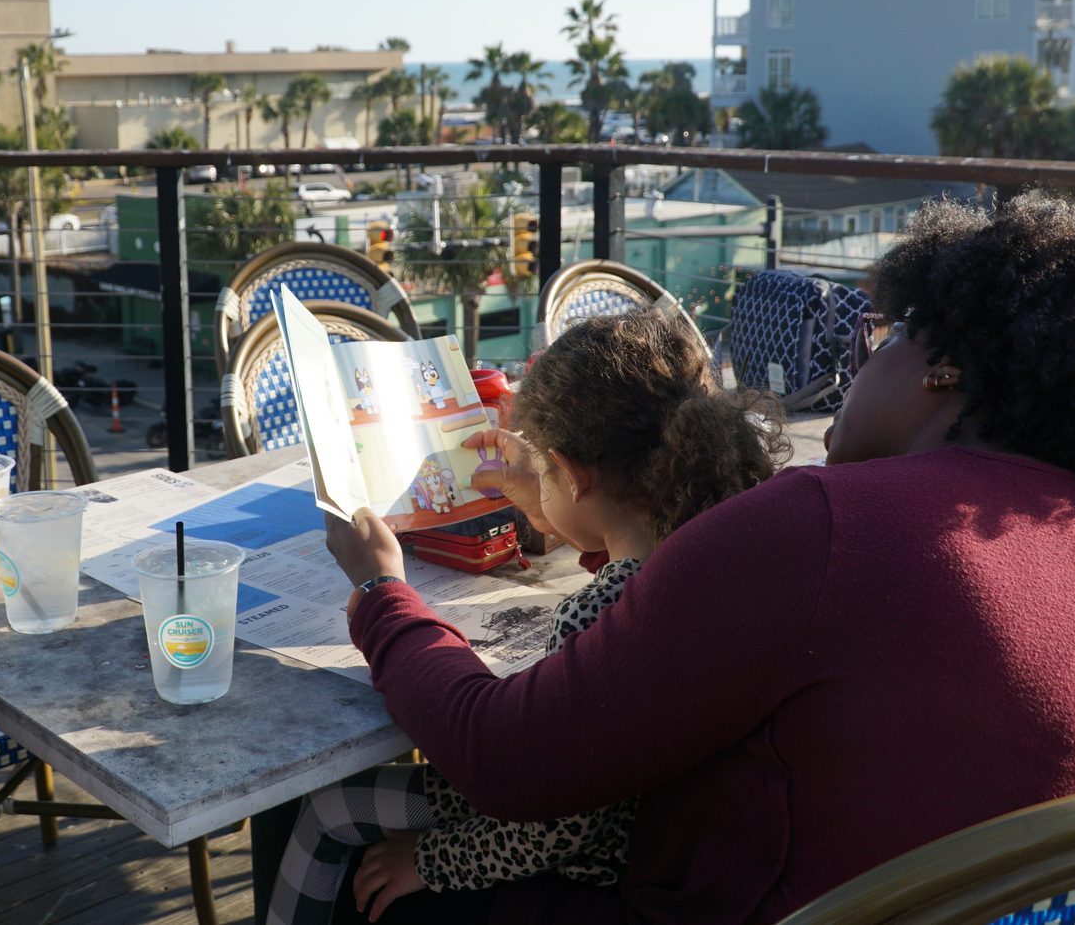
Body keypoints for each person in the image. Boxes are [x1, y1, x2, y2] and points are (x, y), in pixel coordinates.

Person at [325, 194, 1075, 925]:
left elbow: (507, 760)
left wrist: (381, 595)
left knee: (346, 852)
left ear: (943, 367)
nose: (852, 371)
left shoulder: (824, 524)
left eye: (876, 339)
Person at [267, 309, 788, 925]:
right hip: (684, 838)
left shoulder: (604, 615)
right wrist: (553, 510)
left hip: (588, 873)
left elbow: (555, 826)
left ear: (572, 473)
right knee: (337, 803)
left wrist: (435, 860)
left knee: (323, 811)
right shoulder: (720, 546)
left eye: (543, 469)